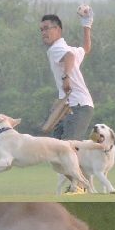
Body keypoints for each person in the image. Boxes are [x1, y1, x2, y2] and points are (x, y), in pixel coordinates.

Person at [40, 9, 94, 142]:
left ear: (58, 29)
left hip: (77, 106)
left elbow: (69, 57)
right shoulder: (67, 48)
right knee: (58, 150)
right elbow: (86, 48)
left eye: (47, 28)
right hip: (70, 107)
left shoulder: (56, 49)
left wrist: (66, 77)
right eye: (41, 30)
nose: (44, 33)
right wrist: (86, 24)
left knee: (67, 149)